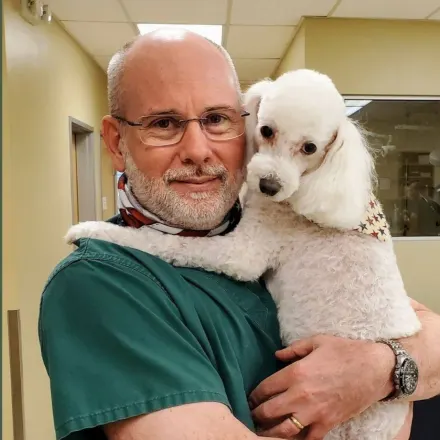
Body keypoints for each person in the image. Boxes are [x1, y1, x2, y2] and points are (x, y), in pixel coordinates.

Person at [38, 29, 440, 440]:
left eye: (216, 120)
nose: (197, 149)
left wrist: (378, 369)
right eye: (163, 123)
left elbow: (430, 331)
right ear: (116, 142)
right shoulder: (100, 282)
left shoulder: (271, 224)